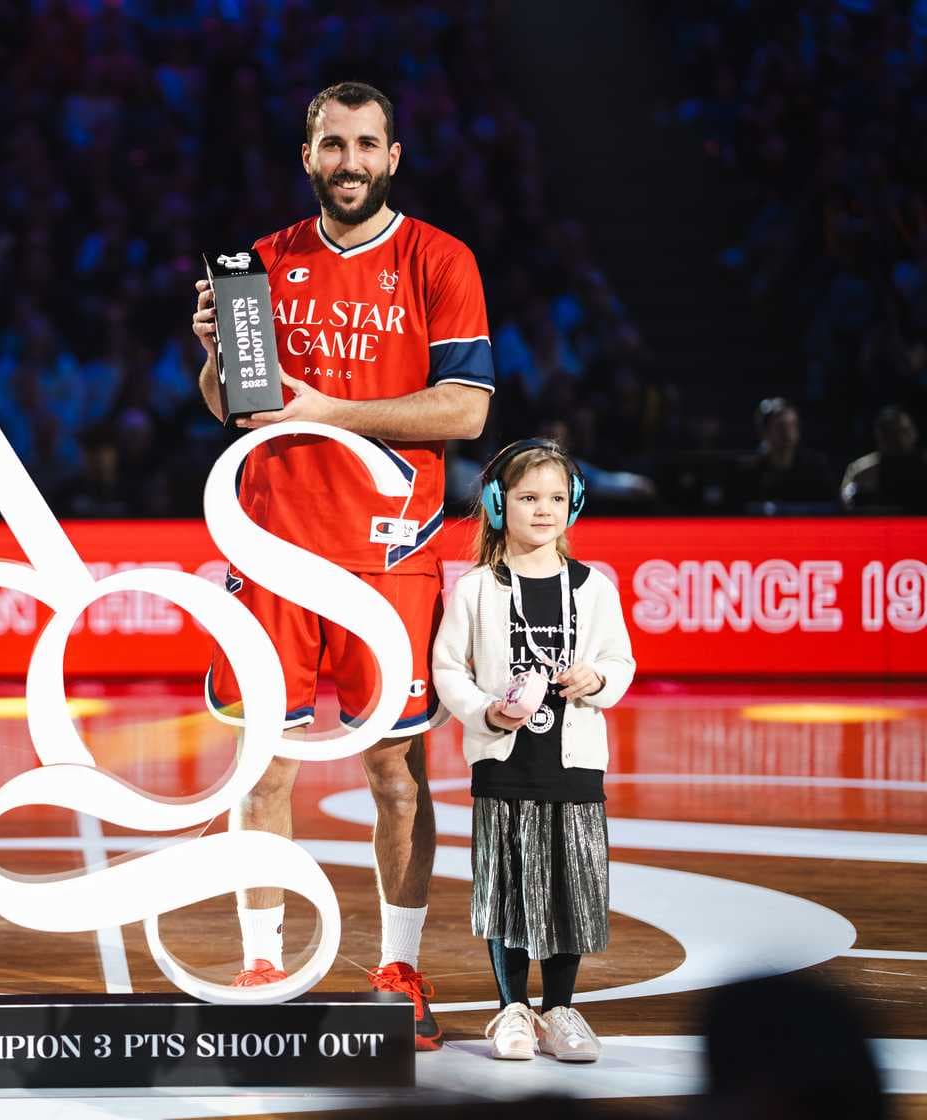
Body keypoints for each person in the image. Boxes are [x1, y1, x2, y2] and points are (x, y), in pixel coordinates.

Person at [190, 80, 492, 1049]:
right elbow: (236, 407)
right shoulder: (262, 261)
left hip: (390, 559)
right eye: (332, 144)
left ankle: (399, 965)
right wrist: (210, 355)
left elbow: (466, 411)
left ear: (393, 156)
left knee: (396, 772)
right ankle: (262, 959)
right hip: (271, 547)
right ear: (307, 154)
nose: (350, 161)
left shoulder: (439, 259)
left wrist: (333, 412)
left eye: (367, 144)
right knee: (262, 766)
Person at [431, 440, 635, 1062]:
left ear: (572, 504)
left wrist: (596, 680)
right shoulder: (475, 589)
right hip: (503, 760)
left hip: (574, 763)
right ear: (498, 505)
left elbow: (619, 660)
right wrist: (483, 710)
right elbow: (448, 668)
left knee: (572, 886)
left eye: (553, 498)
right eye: (526, 498)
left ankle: (562, 1009)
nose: (542, 510)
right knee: (508, 888)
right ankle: (512, 1010)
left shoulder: (594, 587)